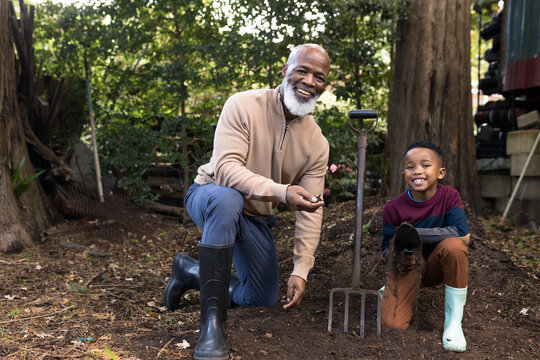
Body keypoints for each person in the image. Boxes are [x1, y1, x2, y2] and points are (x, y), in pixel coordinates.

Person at [163, 44, 331, 360]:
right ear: (285, 70)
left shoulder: (317, 144)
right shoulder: (243, 105)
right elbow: (226, 171)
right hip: (211, 196)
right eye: (302, 70)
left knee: (261, 297)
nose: (309, 81)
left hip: (254, 217)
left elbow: (310, 208)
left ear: (324, 84)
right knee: (227, 199)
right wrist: (283, 192)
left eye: (319, 77)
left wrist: (302, 268)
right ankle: (212, 326)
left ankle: (190, 272)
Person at [380, 141, 470, 352]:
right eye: (410, 166)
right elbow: (385, 249)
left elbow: (462, 233)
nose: (417, 171)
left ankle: (453, 324)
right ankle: (391, 290)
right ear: (404, 173)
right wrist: (400, 247)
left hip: (436, 266)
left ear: (440, 172)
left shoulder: (449, 196)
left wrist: (415, 234)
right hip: (406, 266)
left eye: (425, 165)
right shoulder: (393, 208)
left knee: (454, 246)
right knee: (393, 324)